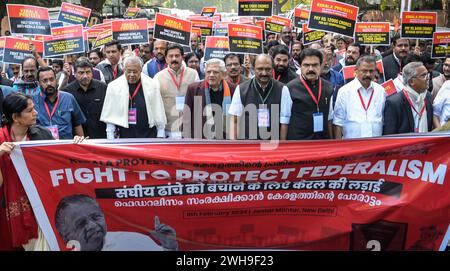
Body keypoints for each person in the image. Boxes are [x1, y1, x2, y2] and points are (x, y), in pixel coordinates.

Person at [0, 92, 54, 251]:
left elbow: (57, 164)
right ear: (15, 117)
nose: (36, 113)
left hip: (41, 208)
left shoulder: (42, 135)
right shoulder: (1, 140)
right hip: (8, 211)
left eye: (34, 108)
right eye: (30, 111)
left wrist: (76, 144)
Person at [54, 194, 178, 251]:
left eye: (95, 217)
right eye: (80, 224)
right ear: (66, 238)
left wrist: (170, 246)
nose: (92, 225)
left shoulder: (132, 241)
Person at [101, 56, 166, 139]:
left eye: (135, 71)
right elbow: (110, 119)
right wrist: (110, 139)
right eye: (128, 71)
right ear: (124, 70)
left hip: (148, 135)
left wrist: (160, 136)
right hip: (124, 136)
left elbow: (159, 113)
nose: (132, 75)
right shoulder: (113, 86)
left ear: (141, 70)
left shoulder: (152, 84)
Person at [228, 54, 291, 140]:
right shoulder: (241, 89)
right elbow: (234, 120)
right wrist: (234, 144)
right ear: (253, 68)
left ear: (272, 69)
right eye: (260, 69)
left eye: (268, 69)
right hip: (248, 145)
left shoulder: (283, 89)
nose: (264, 73)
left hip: (273, 144)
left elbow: (284, 122)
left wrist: (281, 148)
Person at [282, 48, 334, 140]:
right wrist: (283, 148)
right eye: (306, 65)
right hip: (299, 143)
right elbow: (285, 120)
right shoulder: (290, 88)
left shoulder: (328, 87)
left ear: (321, 65)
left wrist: (332, 141)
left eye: (315, 65)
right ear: (300, 66)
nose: (311, 69)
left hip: (322, 142)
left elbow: (329, 118)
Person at [332, 56, 386, 139]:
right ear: (356, 71)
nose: (368, 74)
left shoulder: (381, 91)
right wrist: (338, 148)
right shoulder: (345, 91)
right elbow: (338, 122)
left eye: (371, 71)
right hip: (352, 145)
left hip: (376, 143)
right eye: (364, 71)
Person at [183, 58, 236, 139]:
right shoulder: (193, 89)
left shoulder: (234, 89)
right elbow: (186, 117)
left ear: (223, 74)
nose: (211, 75)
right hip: (200, 139)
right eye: (208, 72)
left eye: (215, 72)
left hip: (225, 138)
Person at [154, 44, 199, 139]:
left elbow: (198, 101)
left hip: (189, 130)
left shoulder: (193, 74)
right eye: (171, 56)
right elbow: (156, 105)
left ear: (182, 57)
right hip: (168, 130)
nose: (174, 59)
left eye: (177, 56)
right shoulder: (158, 77)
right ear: (166, 59)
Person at [33, 66, 86, 139]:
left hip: (65, 147)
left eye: (52, 79)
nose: (49, 83)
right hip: (42, 147)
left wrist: (81, 143)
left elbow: (77, 124)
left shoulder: (69, 98)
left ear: (56, 80)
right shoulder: (32, 101)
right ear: (39, 83)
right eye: (45, 80)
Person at [383, 62, 433, 134]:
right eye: (423, 76)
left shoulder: (428, 97)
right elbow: (390, 135)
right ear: (411, 81)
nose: (427, 78)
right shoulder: (394, 103)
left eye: (427, 74)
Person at [63, 57, 107, 139]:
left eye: (88, 72)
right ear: (75, 73)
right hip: (78, 139)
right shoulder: (68, 91)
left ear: (92, 73)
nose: (85, 76)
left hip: (101, 137)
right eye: (81, 73)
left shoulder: (102, 87)